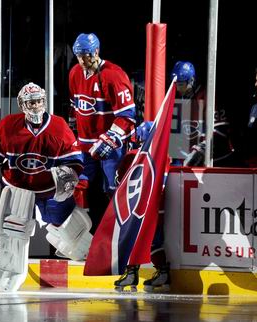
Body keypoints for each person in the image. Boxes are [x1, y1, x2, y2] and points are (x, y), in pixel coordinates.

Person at [0, 82, 87, 291]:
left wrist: (70, 175)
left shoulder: (59, 126)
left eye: (38, 101)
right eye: (31, 102)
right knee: (13, 231)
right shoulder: (8, 126)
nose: (36, 106)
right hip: (18, 189)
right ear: (22, 104)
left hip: (49, 188)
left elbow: (75, 161)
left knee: (65, 225)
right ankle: (9, 270)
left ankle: (83, 251)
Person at [68, 33, 136, 227]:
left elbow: (127, 115)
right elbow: (75, 107)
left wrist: (110, 138)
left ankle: (119, 235)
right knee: (78, 187)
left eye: (86, 54)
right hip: (84, 145)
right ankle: (84, 234)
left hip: (110, 145)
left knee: (114, 190)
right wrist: (72, 133)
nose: (82, 59)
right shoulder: (74, 73)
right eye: (79, 55)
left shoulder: (113, 75)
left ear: (96, 51)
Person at [113, 121, 171, 292]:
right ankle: (163, 272)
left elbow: (119, 182)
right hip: (156, 207)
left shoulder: (131, 155)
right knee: (155, 241)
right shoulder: (164, 156)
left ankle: (131, 274)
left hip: (136, 207)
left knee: (132, 239)